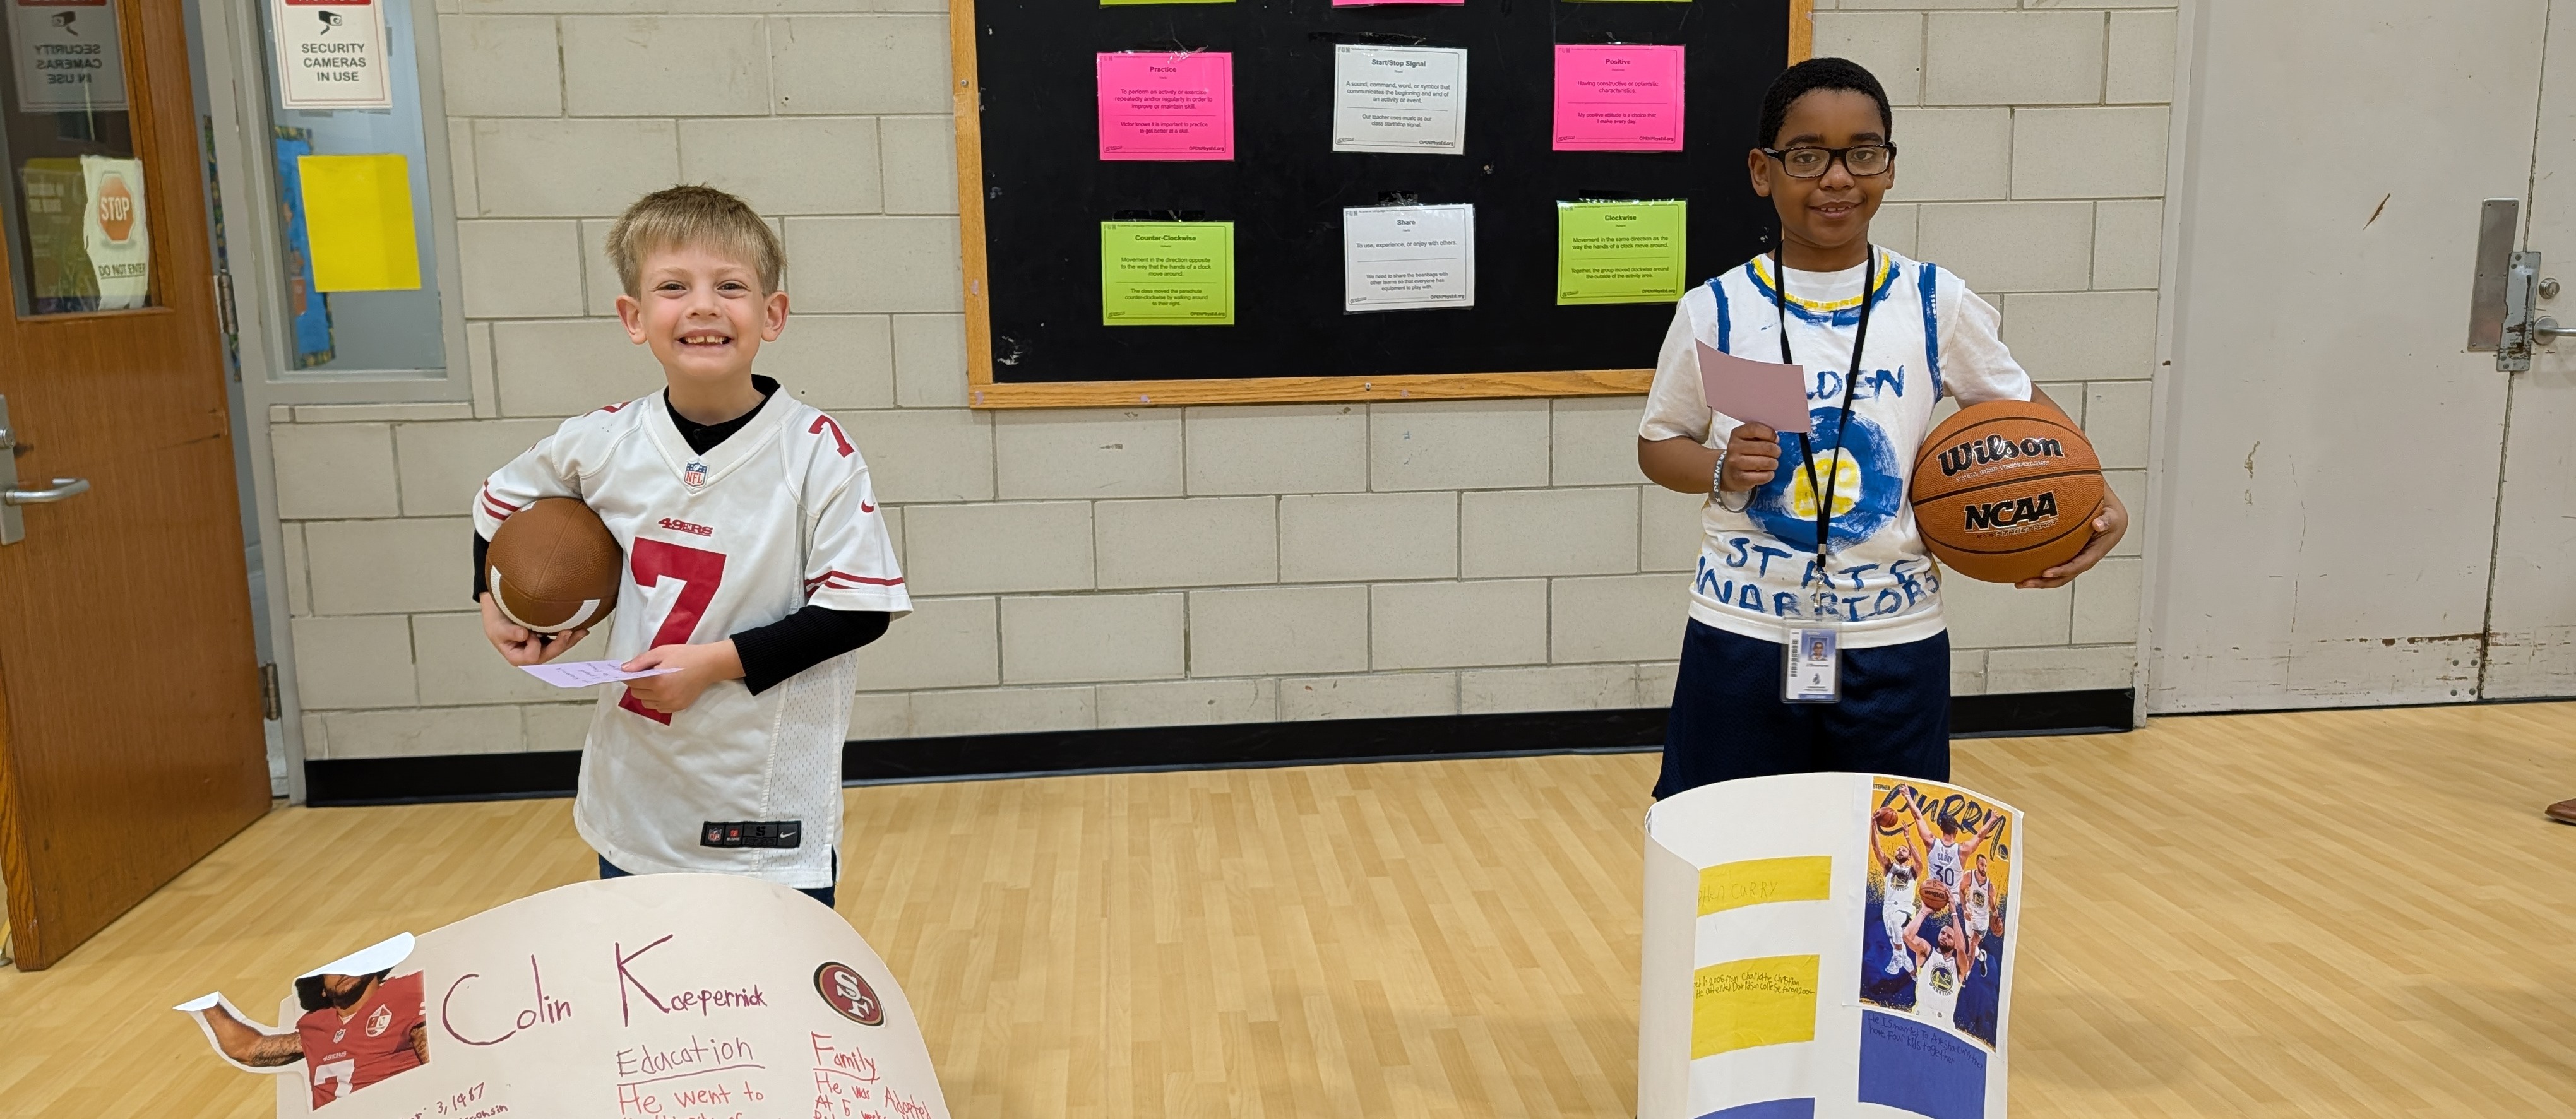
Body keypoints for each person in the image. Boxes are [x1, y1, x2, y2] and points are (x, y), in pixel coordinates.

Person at [1637, 56, 2129, 798]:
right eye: (1806, 156)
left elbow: (2027, 418)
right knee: (1733, 860)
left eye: (1863, 153)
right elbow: (1658, 446)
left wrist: (2092, 497)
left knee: (1891, 870)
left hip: (1894, 638)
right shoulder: (1717, 309)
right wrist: (1719, 467)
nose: (1837, 178)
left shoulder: (1934, 301)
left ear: (1889, 169)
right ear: (1762, 171)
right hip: (1742, 630)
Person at [472, 185, 910, 908]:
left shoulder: (817, 453)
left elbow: (859, 611)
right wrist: (495, 602)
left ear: (772, 314)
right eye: (673, 287)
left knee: (773, 998)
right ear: (634, 317)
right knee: (652, 987)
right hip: (640, 780)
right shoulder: (600, 441)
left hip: (764, 786)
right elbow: (497, 503)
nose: (703, 306)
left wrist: (712, 665)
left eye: (730, 286)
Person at [197, 970, 427, 1108]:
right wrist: (203, 1001)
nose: (343, 970)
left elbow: (443, 1066)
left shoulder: (406, 995)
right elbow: (248, 1050)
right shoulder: (316, 1028)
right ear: (322, 990)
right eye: (332, 969)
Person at [1871, 828, 1923, 976]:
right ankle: (1914, 975)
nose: (1900, 851)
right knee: (1900, 949)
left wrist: (1908, 837)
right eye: (1898, 850)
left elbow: (1920, 862)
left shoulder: (1912, 872)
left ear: (1909, 856)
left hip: (1905, 910)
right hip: (1888, 910)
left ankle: (1897, 957)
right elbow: (1877, 848)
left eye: (1904, 851)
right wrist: (1873, 825)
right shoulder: (1889, 867)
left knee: (1896, 924)